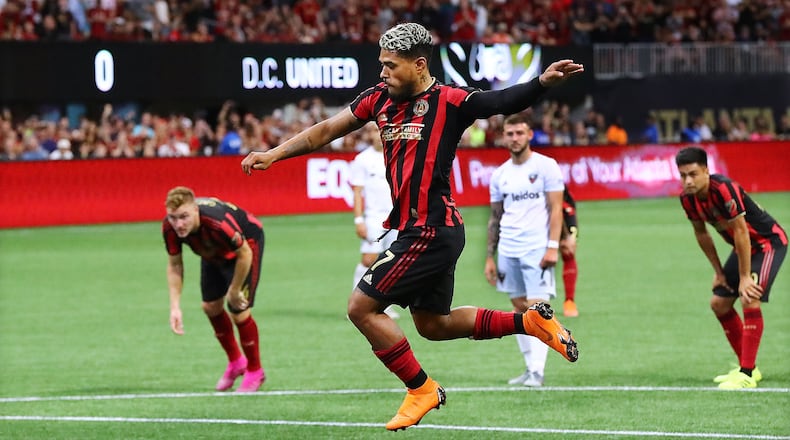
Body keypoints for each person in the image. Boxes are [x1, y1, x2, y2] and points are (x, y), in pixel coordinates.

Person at [242, 22, 581, 430]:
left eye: (390, 66)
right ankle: (528, 322)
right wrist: (275, 154)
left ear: (419, 65)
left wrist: (541, 83)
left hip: (430, 229)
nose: (382, 74)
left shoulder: (450, 101)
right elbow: (326, 131)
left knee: (360, 308)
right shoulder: (377, 99)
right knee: (433, 326)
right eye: (381, 65)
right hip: (422, 231)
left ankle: (420, 389)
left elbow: (499, 100)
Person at [675, 147, 787, 390]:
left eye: (693, 174)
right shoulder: (687, 199)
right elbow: (702, 234)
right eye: (683, 176)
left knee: (749, 296)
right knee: (719, 304)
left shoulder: (724, 189)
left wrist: (745, 277)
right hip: (743, 248)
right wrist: (719, 271)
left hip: (768, 244)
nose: (688, 181)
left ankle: (746, 373)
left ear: (706, 170)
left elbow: (742, 232)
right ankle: (749, 368)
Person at [484, 114, 565, 388]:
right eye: (510, 133)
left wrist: (553, 246)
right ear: (503, 136)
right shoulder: (500, 175)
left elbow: (556, 209)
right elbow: (495, 217)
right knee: (518, 308)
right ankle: (529, 367)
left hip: (537, 247)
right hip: (508, 248)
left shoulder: (546, 166)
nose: (515, 138)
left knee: (538, 307)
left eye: (520, 132)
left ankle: (538, 371)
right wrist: (489, 257)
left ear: (530, 134)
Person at [162, 186, 266, 393]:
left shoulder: (218, 223)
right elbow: (175, 265)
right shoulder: (169, 228)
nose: (178, 224)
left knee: (238, 310)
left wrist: (235, 290)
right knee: (210, 307)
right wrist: (175, 307)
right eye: (173, 218)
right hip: (212, 250)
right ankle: (236, 362)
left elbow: (244, 253)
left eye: (183, 217)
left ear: (195, 211)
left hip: (245, 247)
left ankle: (255, 370)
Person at [349, 122, 400, 319]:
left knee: (391, 261)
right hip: (374, 218)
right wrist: (358, 220)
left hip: (396, 217)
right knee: (369, 259)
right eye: (371, 131)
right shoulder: (362, 160)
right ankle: (356, 304)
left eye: (378, 130)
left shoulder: (397, 154)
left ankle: (382, 304)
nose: (375, 134)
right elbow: (357, 192)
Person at [560, 188, 580, 317]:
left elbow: (569, 208)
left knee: (568, 253)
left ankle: (569, 301)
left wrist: (571, 236)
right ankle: (521, 305)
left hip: (560, 216)